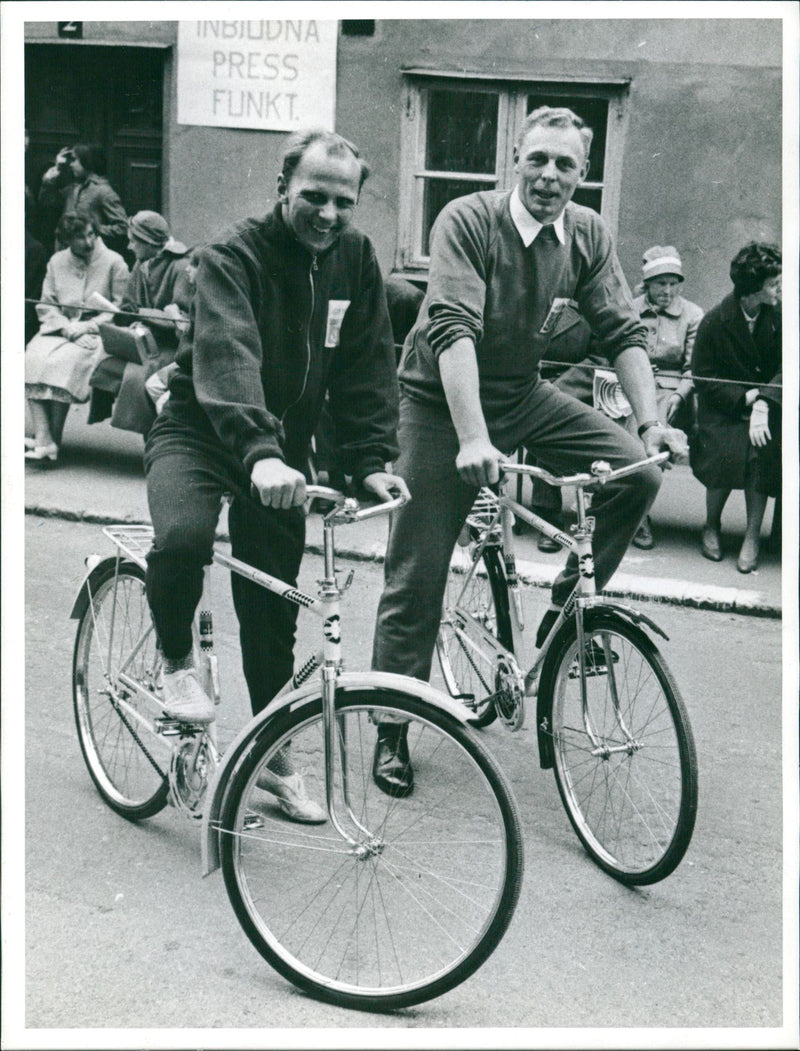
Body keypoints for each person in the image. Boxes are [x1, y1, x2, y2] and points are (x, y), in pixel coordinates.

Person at [370, 106, 687, 797]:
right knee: (417, 571)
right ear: (514, 158)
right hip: (439, 402)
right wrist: (473, 436)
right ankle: (391, 726)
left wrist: (651, 423)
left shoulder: (587, 233)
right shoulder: (469, 219)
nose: (550, 176)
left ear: (583, 174)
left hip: (520, 391)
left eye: (566, 164)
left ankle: (568, 612)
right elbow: (451, 328)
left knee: (634, 474)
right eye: (538, 159)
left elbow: (623, 330)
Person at [143, 128, 408, 822]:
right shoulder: (231, 255)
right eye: (313, 196)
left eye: (342, 202)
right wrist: (258, 452)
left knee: (272, 616)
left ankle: (272, 759)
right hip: (203, 430)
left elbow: (367, 365)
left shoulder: (354, 256)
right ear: (282, 185)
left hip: (279, 456)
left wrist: (373, 460)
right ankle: (175, 667)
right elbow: (228, 353)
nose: (327, 213)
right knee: (181, 537)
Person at [690, 242, 781, 573]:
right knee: (726, 453)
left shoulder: (780, 316)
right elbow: (703, 376)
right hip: (723, 410)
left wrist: (765, 401)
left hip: (767, 407)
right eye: (773, 284)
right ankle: (711, 525)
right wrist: (746, 398)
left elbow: (789, 364)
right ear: (753, 289)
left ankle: (752, 536)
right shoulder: (715, 321)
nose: (779, 289)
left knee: (760, 452)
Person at [24, 213, 129, 463]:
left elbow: (121, 308)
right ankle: (44, 438)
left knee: (64, 364)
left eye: (91, 234)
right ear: (67, 240)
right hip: (59, 329)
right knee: (32, 358)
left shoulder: (114, 262)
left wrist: (88, 326)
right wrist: (66, 328)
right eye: (80, 237)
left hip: (98, 332)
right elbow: (47, 303)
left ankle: (50, 441)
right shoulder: (57, 261)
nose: (88, 241)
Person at [87, 211, 193, 436]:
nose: (129, 246)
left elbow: (182, 322)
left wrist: (140, 313)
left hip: (172, 348)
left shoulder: (180, 265)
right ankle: (153, 438)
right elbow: (129, 305)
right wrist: (122, 314)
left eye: (134, 241)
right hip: (143, 341)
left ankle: (157, 439)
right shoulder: (142, 263)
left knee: (140, 377)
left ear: (151, 242)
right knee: (103, 364)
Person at [629, 245, 705, 549]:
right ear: (647, 283)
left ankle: (638, 516)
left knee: (650, 432)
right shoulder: (630, 309)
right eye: (661, 283)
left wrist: (681, 395)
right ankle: (627, 509)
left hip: (674, 393)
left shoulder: (693, 315)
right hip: (630, 385)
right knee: (621, 426)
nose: (668, 291)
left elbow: (694, 367)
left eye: (674, 283)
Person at [38, 143, 128, 257]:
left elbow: (123, 227)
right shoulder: (73, 189)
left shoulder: (103, 191)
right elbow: (46, 202)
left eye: (75, 160)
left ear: (87, 161)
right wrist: (53, 173)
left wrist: (91, 229)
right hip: (65, 255)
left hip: (88, 257)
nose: (71, 165)